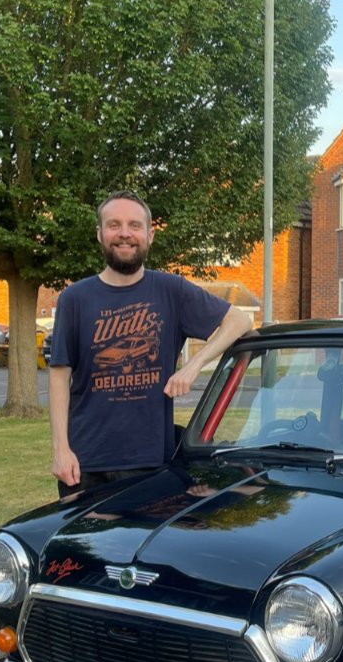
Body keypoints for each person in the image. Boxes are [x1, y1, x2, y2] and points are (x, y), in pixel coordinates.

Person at [49, 190, 252, 497]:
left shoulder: (172, 291)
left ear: (149, 234)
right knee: (83, 547)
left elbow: (239, 321)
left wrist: (193, 366)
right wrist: (61, 450)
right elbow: (59, 376)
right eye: (114, 225)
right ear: (100, 234)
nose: (124, 234)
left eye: (134, 225)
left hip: (151, 462)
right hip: (85, 464)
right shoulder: (74, 299)